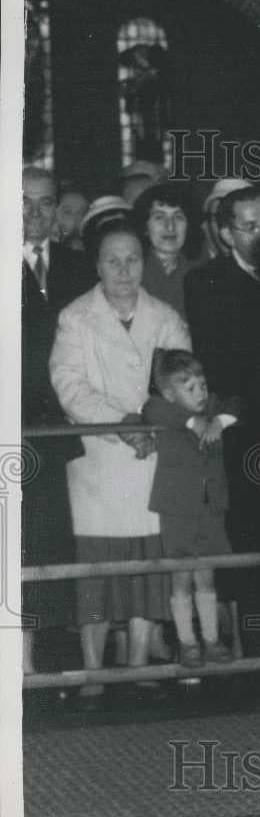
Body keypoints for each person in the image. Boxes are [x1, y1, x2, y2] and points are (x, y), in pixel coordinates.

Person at [49, 221, 191, 705]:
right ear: (97, 265)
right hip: (99, 458)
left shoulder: (166, 317)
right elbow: (69, 385)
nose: (124, 269)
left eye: (132, 259)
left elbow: (181, 381)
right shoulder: (75, 318)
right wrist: (120, 422)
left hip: (152, 456)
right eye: (113, 260)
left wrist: (153, 421)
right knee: (97, 569)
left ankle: (136, 665)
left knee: (145, 563)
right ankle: (93, 670)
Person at [21, 166, 94, 675]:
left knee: (60, 537)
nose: (34, 213)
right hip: (16, 427)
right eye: (23, 202)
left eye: (45, 202)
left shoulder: (77, 266)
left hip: (67, 428)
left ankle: (57, 654)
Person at [185, 186, 260, 560]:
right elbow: (218, 363)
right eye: (250, 227)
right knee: (254, 542)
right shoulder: (207, 283)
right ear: (226, 234)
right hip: (244, 430)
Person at [142, 349, 237, 668]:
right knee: (181, 577)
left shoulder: (214, 407)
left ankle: (211, 640)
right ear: (170, 393)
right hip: (177, 510)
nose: (201, 392)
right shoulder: (163, 408)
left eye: (203, 384)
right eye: (190, 387)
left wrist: (219, 421)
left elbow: (240, 403)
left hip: (210, 509)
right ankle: (188, 643)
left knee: (206, 577)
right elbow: (150, 407)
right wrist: (191, 420)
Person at [134, 181, 200, 319]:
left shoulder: (201, 272)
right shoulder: (131, 271)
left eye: (178, 217)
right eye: (159, 217)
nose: (170, 226)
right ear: (145, 227)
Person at [200, 178, 252, 259]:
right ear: (206, 226)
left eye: (230, 218)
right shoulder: (196, 267)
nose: (224, 228)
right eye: (216, 218)